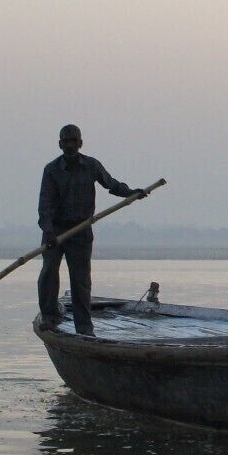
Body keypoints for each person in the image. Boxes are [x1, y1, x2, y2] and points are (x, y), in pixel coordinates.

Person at [37, 124, 140, 334]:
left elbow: (111, 184)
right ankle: (49, 315)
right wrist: (48, 232)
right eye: (65, 141)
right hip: (55, 231)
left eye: (73, 141)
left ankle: (84, 327)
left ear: (80, 143)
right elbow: (44, 205)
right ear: (60, 144)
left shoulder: (91, 166)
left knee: (80, 279)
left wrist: (130, 193)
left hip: (81, 231)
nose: (70, 145)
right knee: (49, 272)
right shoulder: (51, 170)